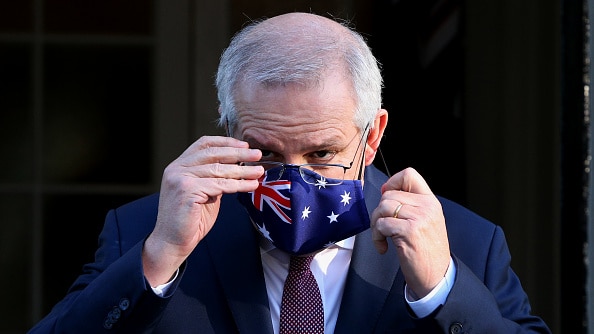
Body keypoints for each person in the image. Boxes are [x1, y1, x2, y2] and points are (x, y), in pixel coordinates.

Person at [29, 12, 550, 333]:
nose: (296, 181)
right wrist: (160, 256)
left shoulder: (465, 242)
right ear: (230, 131)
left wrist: (442, 289)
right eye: (268, 155)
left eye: (322, 154)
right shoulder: (145, 231)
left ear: (372, 136)